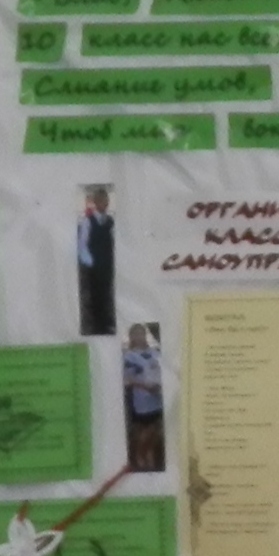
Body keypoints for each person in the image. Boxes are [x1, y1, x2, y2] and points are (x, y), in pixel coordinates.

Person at [121, 322, 167, 474]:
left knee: (157, 429)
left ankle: (150, 455)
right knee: (145, 430)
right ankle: (140, 456)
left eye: (142, 333)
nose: (139, 336)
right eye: (136, 334)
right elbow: (127, 379)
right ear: (131, 337)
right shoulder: (129, 356)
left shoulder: (154, 352)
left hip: (157, 396)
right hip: (143, 398)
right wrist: (144, 386)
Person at [75, 184, 116, 336]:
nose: (105, 204)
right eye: (102, 200)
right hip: (95, 266)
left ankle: (107, 323)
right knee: (95, 296)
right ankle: (98, 327)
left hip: (109, 264)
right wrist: (91, 263)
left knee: (108, 294)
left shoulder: (110, 221)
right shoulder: (88, 221)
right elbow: (82, 245)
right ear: (96, 202)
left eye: (107, 201)